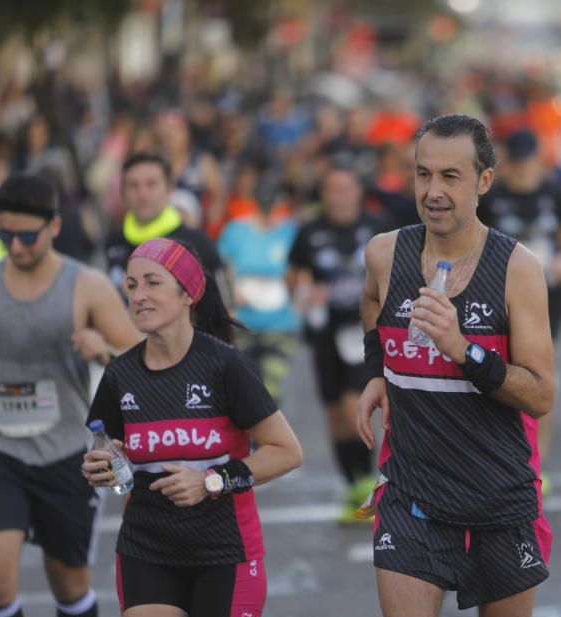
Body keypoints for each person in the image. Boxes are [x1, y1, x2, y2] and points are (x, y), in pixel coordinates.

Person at [357, 114, 555, 617]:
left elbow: (540, 394)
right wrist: (377, 370)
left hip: (500, 496)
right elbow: (372, 303)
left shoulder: (517, 268)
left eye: (450, 176)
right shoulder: (384, 253)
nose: (433, 192)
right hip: (411, 495)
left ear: (484, 182)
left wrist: (463, 350)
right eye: (423, 175)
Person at [82, 237, 303, 617]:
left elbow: (286, 452)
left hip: (225, 554)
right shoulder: (120, 375)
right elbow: (111, 456)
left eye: (152, 283)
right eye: (130, 285)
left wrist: (210, 482)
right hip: (146, 550)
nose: (138, 295)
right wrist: (102, 468)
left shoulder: (224, 365)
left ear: (188, 293)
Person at [0, 173, 142, 617]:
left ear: (55, 226)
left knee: (70, 582)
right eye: (5, 236)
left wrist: (102, 350)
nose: (15, 247)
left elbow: (138, 354)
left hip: (65, 454)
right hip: (4, 454)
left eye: (26, 236)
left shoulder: (86, 285)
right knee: (0, 576)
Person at [478, 128, 561, 473]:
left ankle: (537, 461)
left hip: (547, 295)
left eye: (529, 161)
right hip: (497, 296)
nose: (524, 169)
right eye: (518, 162)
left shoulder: (557, 192)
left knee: (539, 374)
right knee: (502, 372)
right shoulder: (493, 197)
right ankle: (502, 453)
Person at [287, 165, 385, 519]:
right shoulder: (310, 232)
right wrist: (303, 294)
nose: (339, 196)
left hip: (362, 329)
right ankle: (353, 484)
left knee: (352, 404)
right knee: (334, 414)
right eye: (332, 189)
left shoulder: (376, 227)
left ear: (358, 192)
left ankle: (367, 482)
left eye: (346, 188)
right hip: (325, 333)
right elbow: (294, 273)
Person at [218, 181, 300, 404]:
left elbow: (301, 271)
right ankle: (252, 439)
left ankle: (271, 437)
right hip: (243, 320)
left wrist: (298, 297)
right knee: (245, 390)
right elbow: (222, 268)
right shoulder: (236, 230)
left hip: (280, 322)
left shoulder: (290, 231)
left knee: (272, 389)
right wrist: (231, 297)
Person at [104, 151, 223, 297]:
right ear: (122, 192)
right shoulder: (114, 242)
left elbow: (225, 306)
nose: (142, 193)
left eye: (151, 184)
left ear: (169, 189)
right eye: (133, 185)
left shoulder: (197, 244)